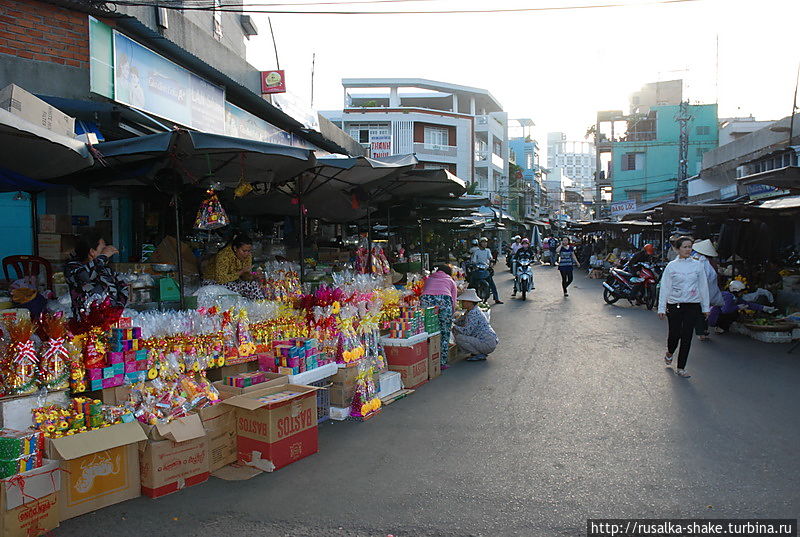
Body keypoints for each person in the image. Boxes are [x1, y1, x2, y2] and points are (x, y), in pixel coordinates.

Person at [657, 236, 710, 379]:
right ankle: (670, 352)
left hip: (692, 305)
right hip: (675, 305)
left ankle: (681, 367)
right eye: (685, 247)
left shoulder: (698, 265)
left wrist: (705, 307)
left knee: (687, 336)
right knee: (674, 335)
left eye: (690, 247)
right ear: (677, 249)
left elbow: (703, 287)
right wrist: (661, 308)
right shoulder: (671, 266)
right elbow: (665, 288)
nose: (688, 249)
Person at [65, 233, 128, 321]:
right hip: (85, 322)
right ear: (92, 252)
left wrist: (118, 308)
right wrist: (103, 257)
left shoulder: (105, 270)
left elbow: (122, 286)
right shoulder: (73, 267)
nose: (106, 251)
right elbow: (85, 277)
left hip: (109, 321)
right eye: (103, 249)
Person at [202, 233, 265, 300]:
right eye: (244, 251)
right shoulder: (224, 256)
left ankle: (260, 305)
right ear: (235, 248)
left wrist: (253, 276)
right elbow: (220, 279)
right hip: (212, 281)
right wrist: (241, 272)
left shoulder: (248, 256)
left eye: (249, 251)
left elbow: (245, 277)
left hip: (233, 281)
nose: (247, 254)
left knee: (254, 284)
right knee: (236, 288)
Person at [420, 265, 458, 368]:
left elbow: (424, 290)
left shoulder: (429, 279)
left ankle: (425, 359)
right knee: (444, 331)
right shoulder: (450, 281)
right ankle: (442, 362)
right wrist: (451, 315)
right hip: (444, 300)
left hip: (426, 299)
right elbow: (453, 301)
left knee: (427, 329)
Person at [708, 280, 777, 333]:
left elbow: (748, 304)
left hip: (714, 316)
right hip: (713, 318)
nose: (742, 293)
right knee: (734, 314)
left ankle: (719, 327)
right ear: (735, 291)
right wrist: (738, 307)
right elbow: (725, 310)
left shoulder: (734, 297)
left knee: (734, 312)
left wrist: (764, 308)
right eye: (741, 292)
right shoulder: (728, 297)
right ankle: (720, 327)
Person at [452, 289, 498, 361]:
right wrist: (453, 322)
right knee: (458, 333)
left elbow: (466, 331)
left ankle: (479, 354)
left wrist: (453, 327)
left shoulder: (474, 313)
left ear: (470, 302)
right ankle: (479, 352)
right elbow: (460, 321)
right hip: (488, 341)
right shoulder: (470, 311)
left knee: (459, 338)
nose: (462, 303)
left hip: (487, 343)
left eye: (464, 301)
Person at [692, 239, 723, 341]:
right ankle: (702, 332)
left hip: (701, 290)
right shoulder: (709, 261)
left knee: (700, 312)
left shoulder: (700, 260)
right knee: (704, 311)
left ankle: (701, 332)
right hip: (707, 291)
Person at [470, 237, 503, 304]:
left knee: (492, 284)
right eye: (483, 242)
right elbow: (474, 260)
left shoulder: (487, 250)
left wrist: (491, 260)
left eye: (486, 242)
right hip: (478, 268)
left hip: (485, 268)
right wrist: (474, 264)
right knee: (471, 283)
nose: (485, 244)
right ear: (480, 243)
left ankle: (496, 298)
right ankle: (470, 298)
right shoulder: (477, 251)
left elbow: (490, 257)